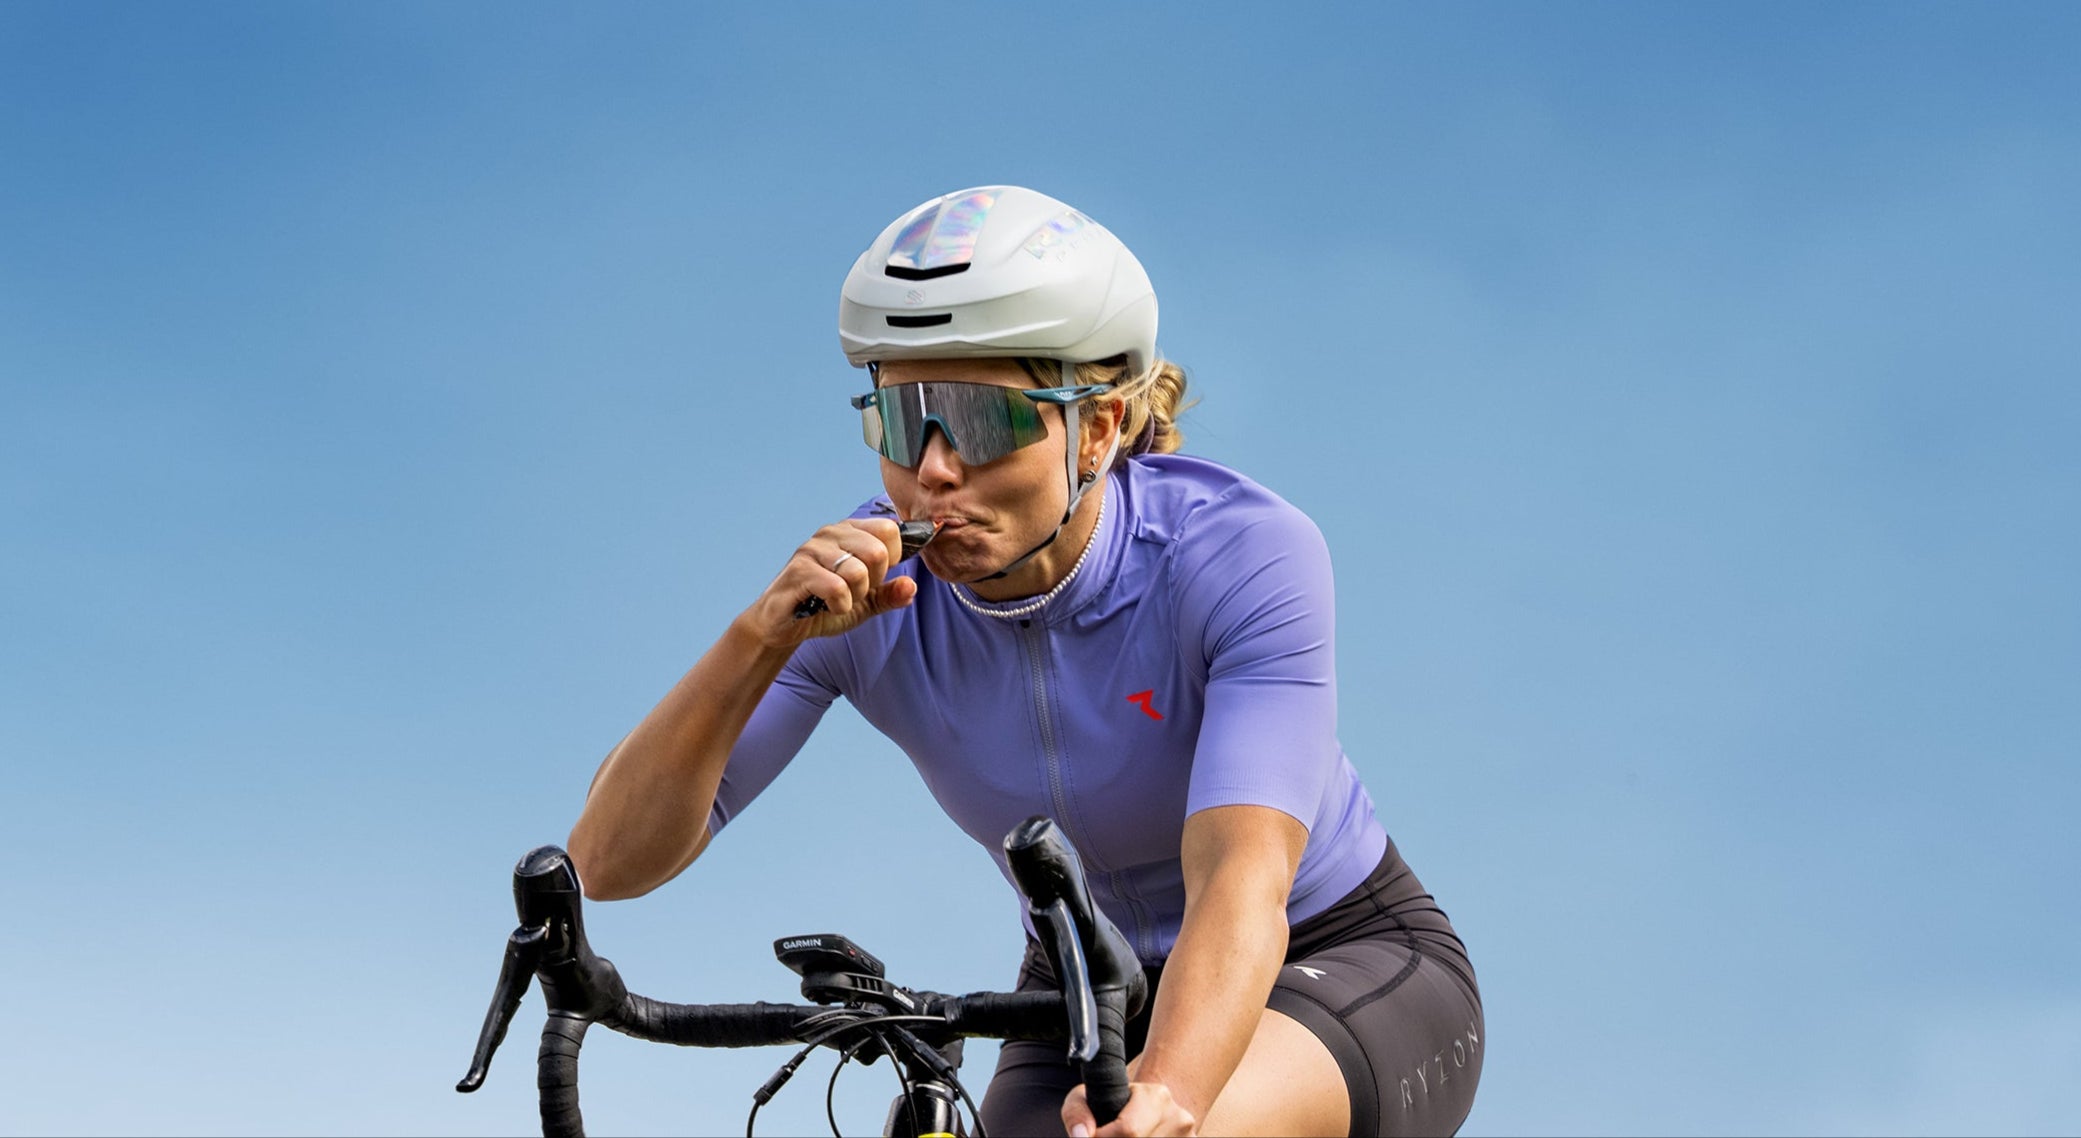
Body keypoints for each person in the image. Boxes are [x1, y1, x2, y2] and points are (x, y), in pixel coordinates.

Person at [568, 186, 1483, 1137]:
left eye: (978, 420)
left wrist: (1170, 1088)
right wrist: (758, 640)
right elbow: (607, 862)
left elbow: (1238, 876)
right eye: (899, 416)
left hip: (1331, 955)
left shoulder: (1239, 552)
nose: (931, 468)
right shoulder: (863, 604)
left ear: (1098, 427)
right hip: (1079, 985)